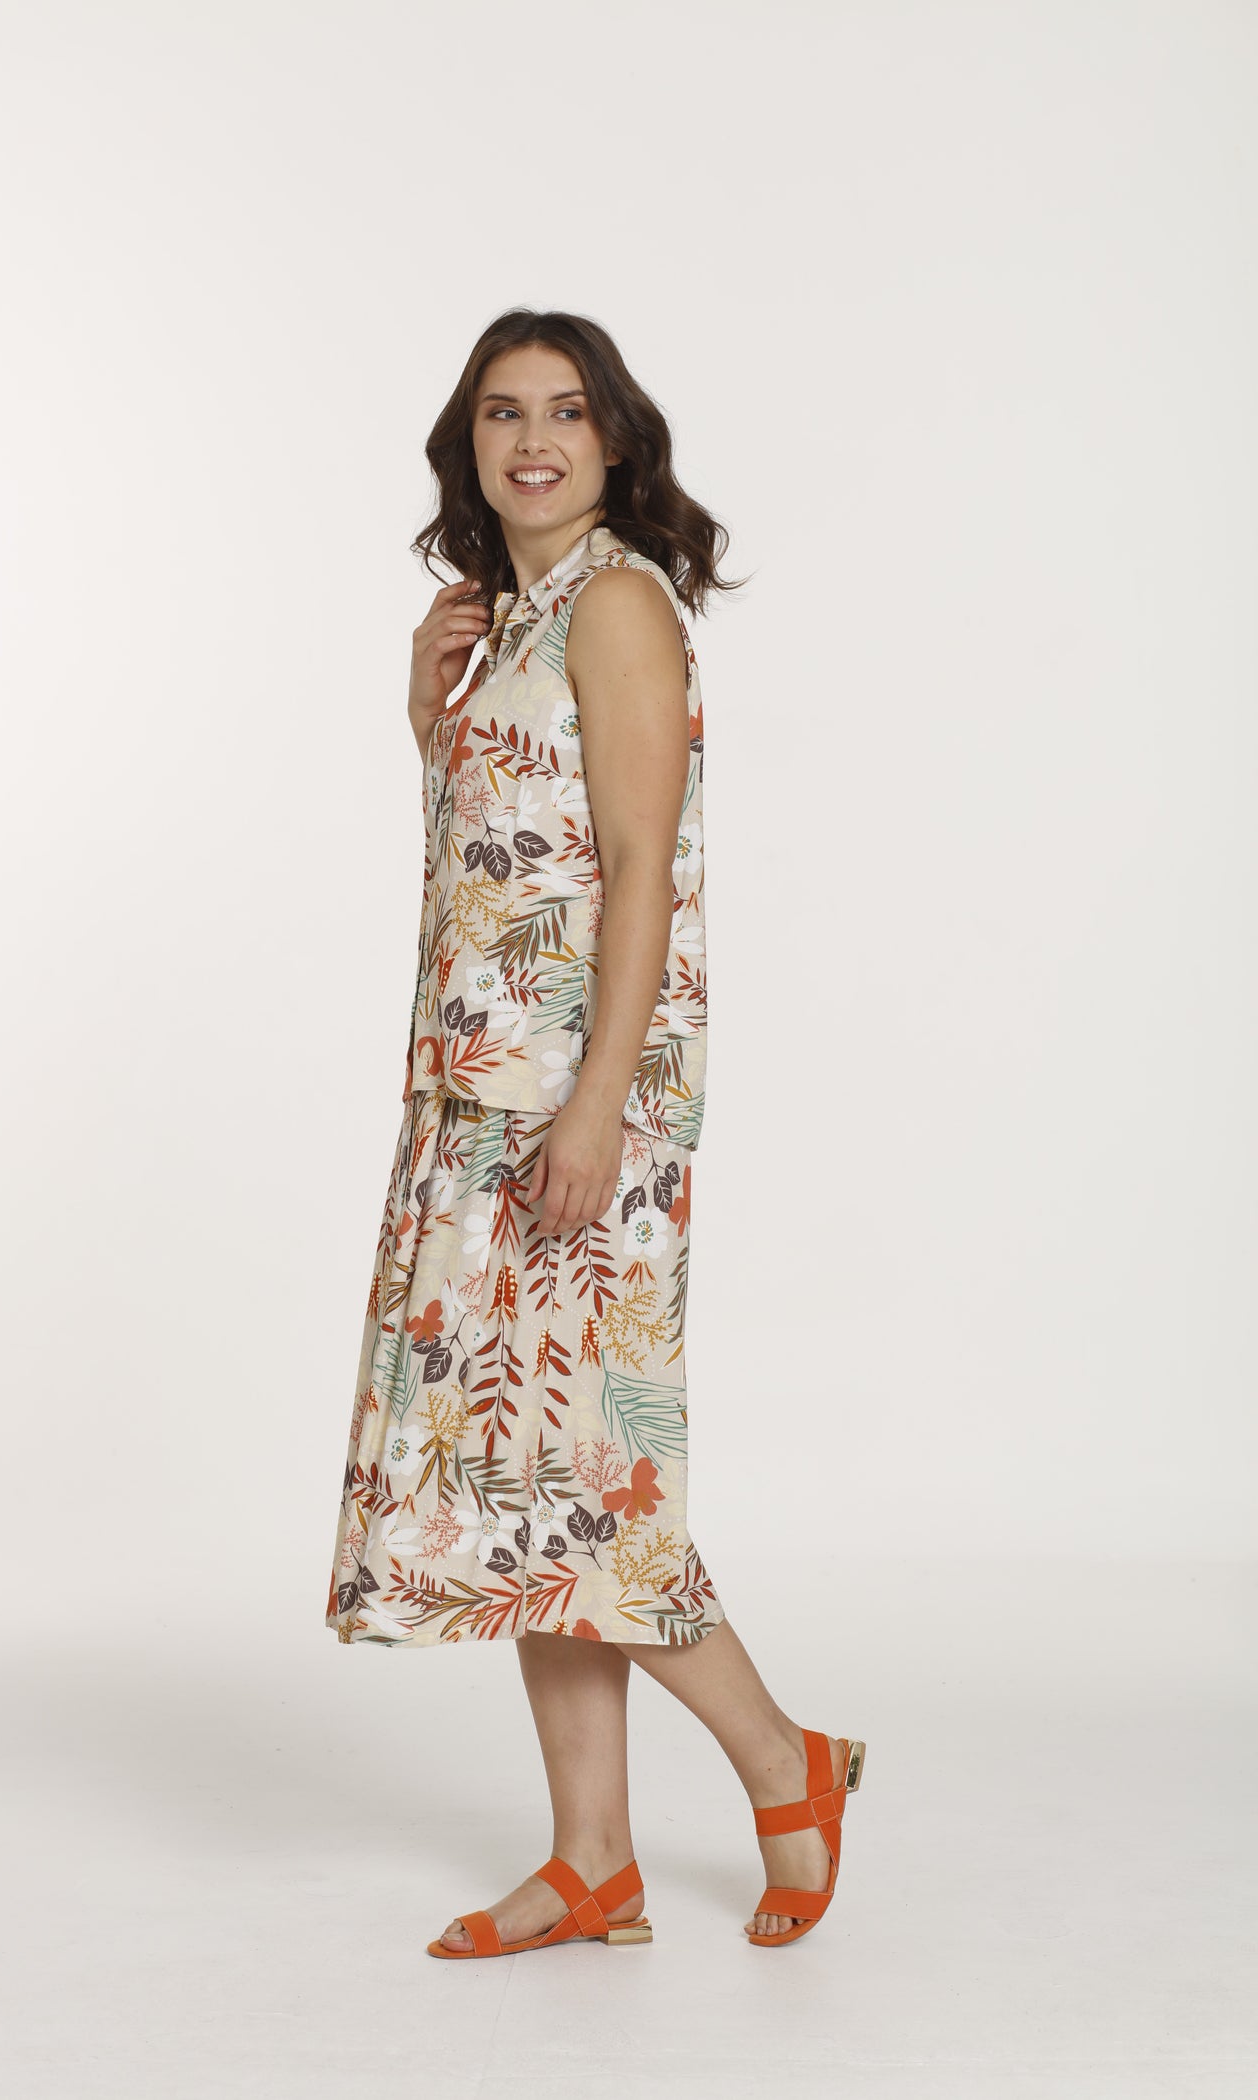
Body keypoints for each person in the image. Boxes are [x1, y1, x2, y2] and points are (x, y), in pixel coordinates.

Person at [326, 309, 866, 1957]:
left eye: (566, 411)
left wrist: (592, 1107)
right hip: (473, 1101)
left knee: (587, 1490)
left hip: (569, 1114)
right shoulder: (511, 617)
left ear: (614, 442)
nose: (535, 440)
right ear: (470, 445)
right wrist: (427, 717)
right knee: (521, 1488)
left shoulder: (619, 603)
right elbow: (511, 856)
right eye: (504, 414)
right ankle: (594, 1861)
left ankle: (785, 1764)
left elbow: (639, 873)